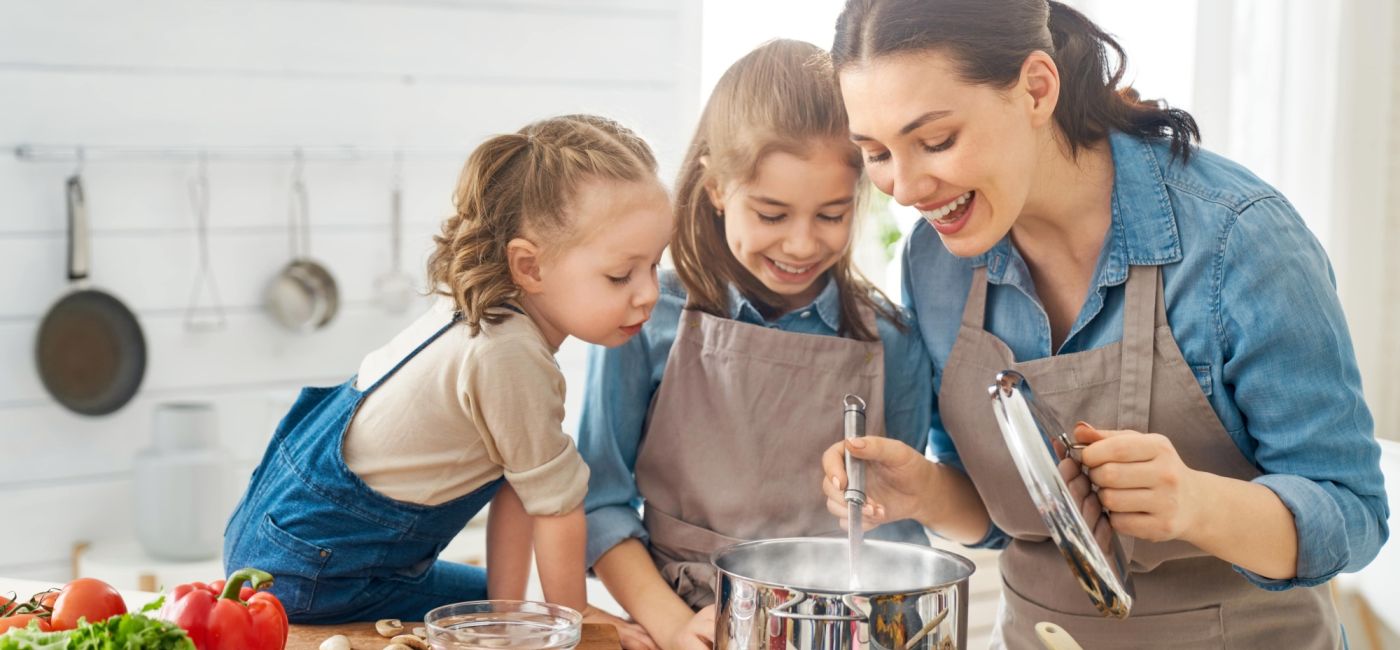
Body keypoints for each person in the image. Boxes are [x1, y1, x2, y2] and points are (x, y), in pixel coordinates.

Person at [819, 1, 1390, 647]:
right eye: (875, 153)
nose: (906, 186)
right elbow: (1009, 518)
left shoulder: (1238, 239)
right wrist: (924, 490)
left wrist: (1196, 504)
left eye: (936, 141)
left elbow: (1354, 515)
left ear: (1037, 88)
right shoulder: (936, 261)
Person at [223, 115, 671, 645]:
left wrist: (509, 618)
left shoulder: (480, 309)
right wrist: (575, 622)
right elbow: (557, 509)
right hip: (318, 573)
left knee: (500, 607)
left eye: (654, 266)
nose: (648, 294)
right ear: (529, 267)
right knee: (513, 614)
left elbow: (523, 487)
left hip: (279, 545)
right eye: (621, 275)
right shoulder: (510, 355)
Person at [578, 39, 935, 650]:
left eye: (831, 215)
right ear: (717, 187)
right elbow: (598, 505)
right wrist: (669, 623)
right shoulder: (642, 318)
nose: (801, 245)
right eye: (772, 214)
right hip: (688, 624)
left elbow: (895, 530)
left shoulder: (892, 341)